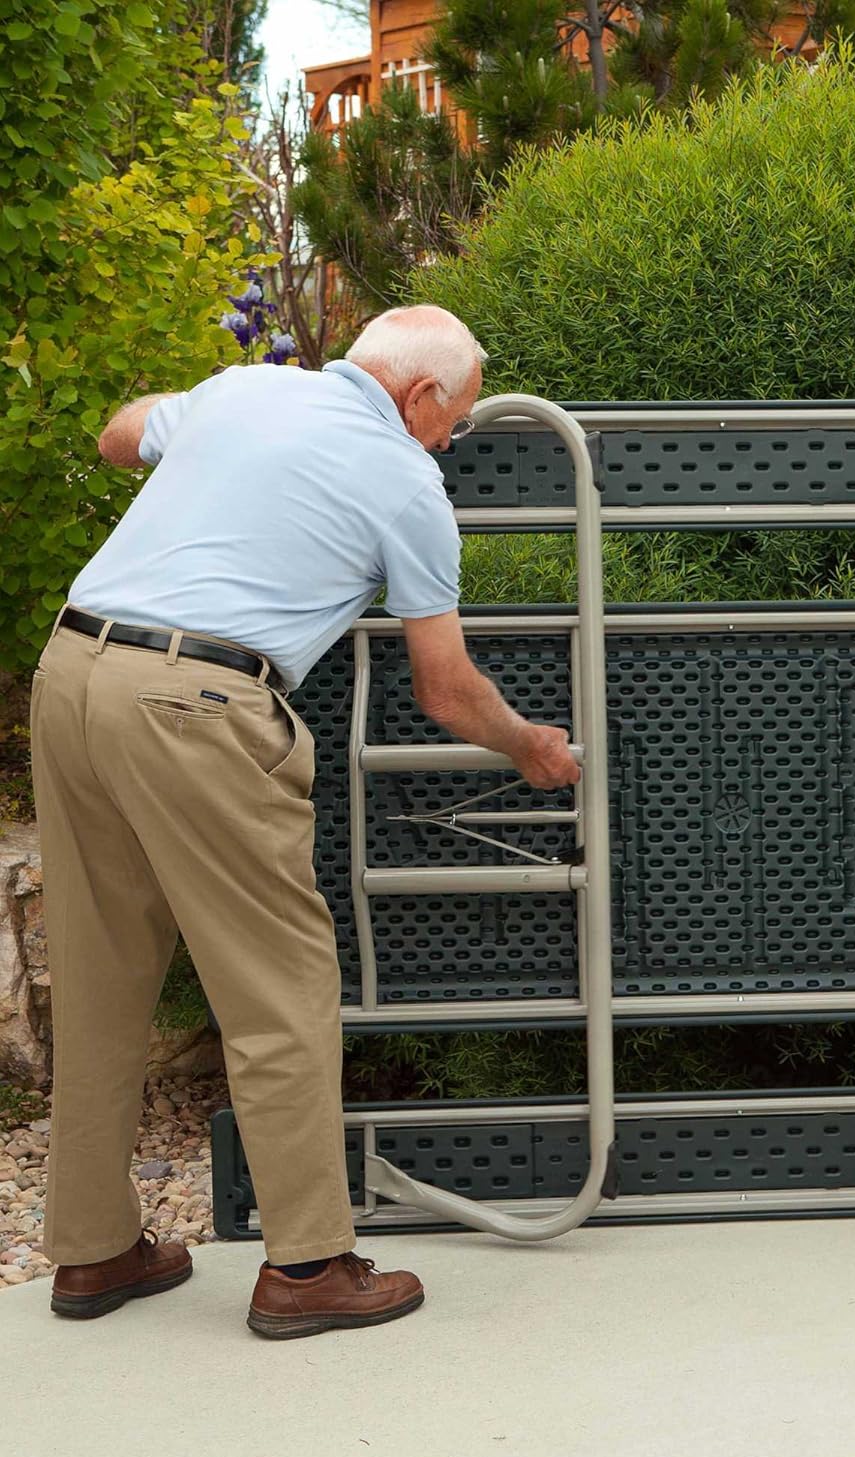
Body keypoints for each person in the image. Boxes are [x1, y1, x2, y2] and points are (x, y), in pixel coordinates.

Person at [34, 305, 579, 1336]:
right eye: (452, 419)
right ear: (419, 397)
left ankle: (95, 1254)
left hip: (72, 673)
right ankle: (307, 1268)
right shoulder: (407, 481)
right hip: (196, 706)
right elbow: (447, 689)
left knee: (102, 976)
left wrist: (189, 428)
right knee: (280, 986)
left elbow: (116, 436)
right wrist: (531, 748)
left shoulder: (246, 390)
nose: (452, 441)